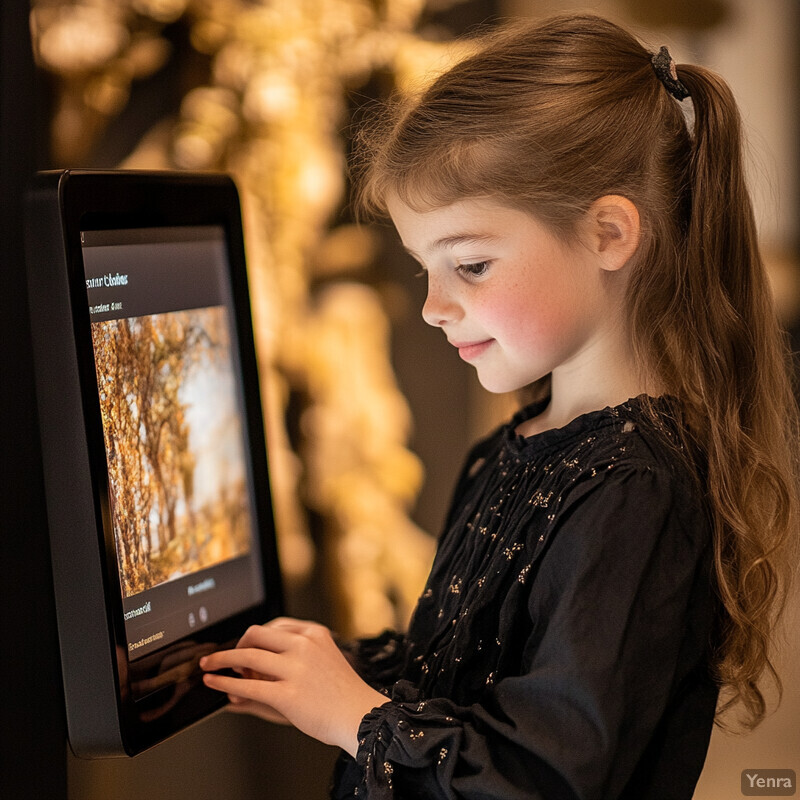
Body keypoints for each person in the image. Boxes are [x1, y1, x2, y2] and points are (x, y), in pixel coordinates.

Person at [200, 13, 800, 799]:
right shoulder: (525, 442)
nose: (434, 307)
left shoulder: (634, 492)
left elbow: (547, 774)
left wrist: (356, 718)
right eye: (426, 270)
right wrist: (338, 672)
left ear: (610, 234)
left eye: (471, 265)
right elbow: (469, 673)